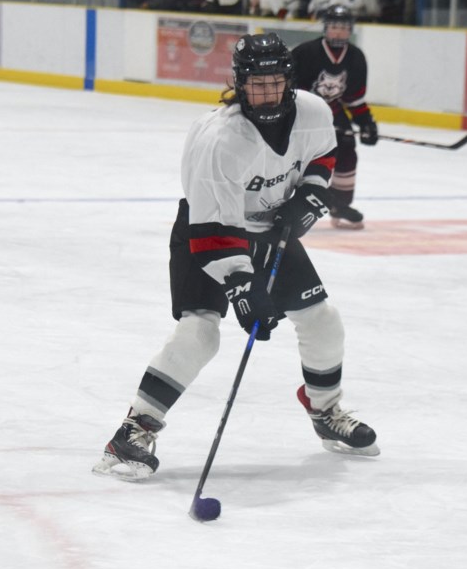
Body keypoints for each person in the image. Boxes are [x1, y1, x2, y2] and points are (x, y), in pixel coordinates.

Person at [93, 32, 379, 481]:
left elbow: (324, 155)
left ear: (289, 80)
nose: (266, 92)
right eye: (255, 83)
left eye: (275, 82)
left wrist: (309, 197)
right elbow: (210, 231)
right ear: (239, 84)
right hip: (208, 232)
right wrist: (244, 289)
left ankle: (324, 409)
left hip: (266, 231)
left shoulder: (313, 111)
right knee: (200, 333)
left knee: (323, 319)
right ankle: (134, 429)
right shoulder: (219, 140)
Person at [291, 4, 377, 229]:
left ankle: (339, 204)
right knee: (298, 157)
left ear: (350, 30)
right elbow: (288, 92)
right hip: (302, 112)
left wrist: (366, 122)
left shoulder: (356, 57)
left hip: (333, 112)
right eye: (334, 27)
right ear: (326, 29)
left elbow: (353, 98)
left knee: (347, 148)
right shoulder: (305, 53)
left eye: (343, 28)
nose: (338, 32)